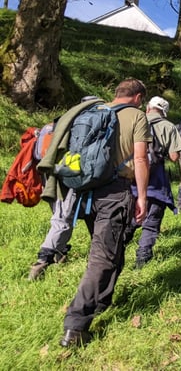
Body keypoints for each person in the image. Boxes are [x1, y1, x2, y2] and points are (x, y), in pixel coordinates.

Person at [58, 78, 150, 348]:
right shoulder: (137, 116)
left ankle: (102, 302)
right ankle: (75, 325)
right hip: (115, 192)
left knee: (113, 249)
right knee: (103, 257)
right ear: (138, 97)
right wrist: (142, 196)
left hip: (85, 192)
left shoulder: (93, 111)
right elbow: (141, 158)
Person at [28, 96, 102, 281]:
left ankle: (60, 254)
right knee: (62, 220)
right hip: (68, 177)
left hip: (49, 174)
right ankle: (41, 262)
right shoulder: (82, 124)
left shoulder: (58, 122)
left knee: (62, 215)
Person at [124, 96, 181, 268]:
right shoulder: (168, 126)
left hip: (133, 178)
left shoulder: (135, 121)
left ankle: (118, 248)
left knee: (131, 217)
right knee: (152, 222)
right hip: (156, 181)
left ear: (148, 108)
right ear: (164, 112)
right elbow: (174, 157)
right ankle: (142, 258)